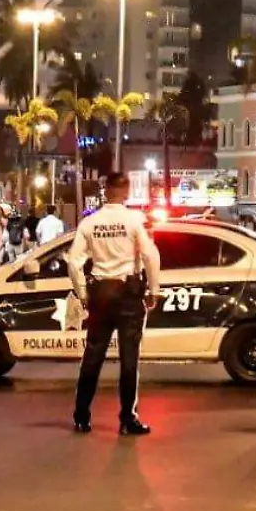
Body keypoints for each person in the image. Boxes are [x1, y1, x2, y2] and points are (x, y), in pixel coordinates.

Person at [67, 172, 161, 435]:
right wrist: (153, 289)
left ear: (105, 190)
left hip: (100, 293)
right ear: (126, 191)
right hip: (128, 294)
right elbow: (150, 256)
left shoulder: (90, 222)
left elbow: (74, 262)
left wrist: (83, 292)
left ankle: (81, 415)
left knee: (93, 355)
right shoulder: (133, 221)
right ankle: (127, 419)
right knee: (129, 358)